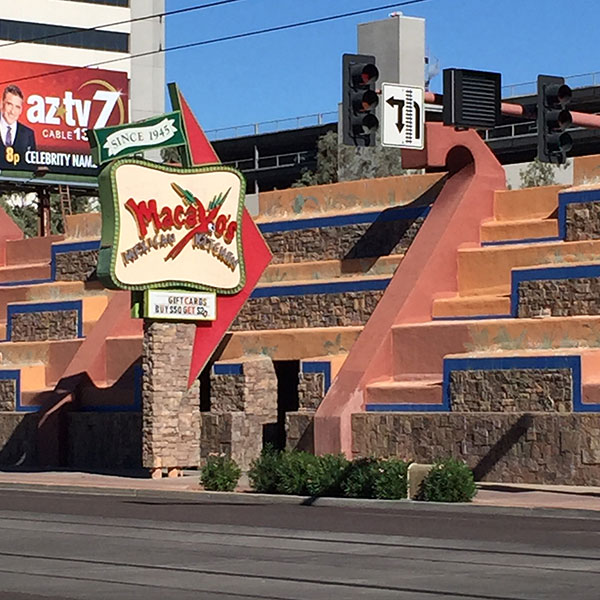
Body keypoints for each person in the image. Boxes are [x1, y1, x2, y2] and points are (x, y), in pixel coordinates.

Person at [0, 84, 36, 169]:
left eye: (17, 107)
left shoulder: (28, 134)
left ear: (21, 110)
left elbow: (31, 166)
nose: (12, 111)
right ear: (2, 104)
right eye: (9, 104)